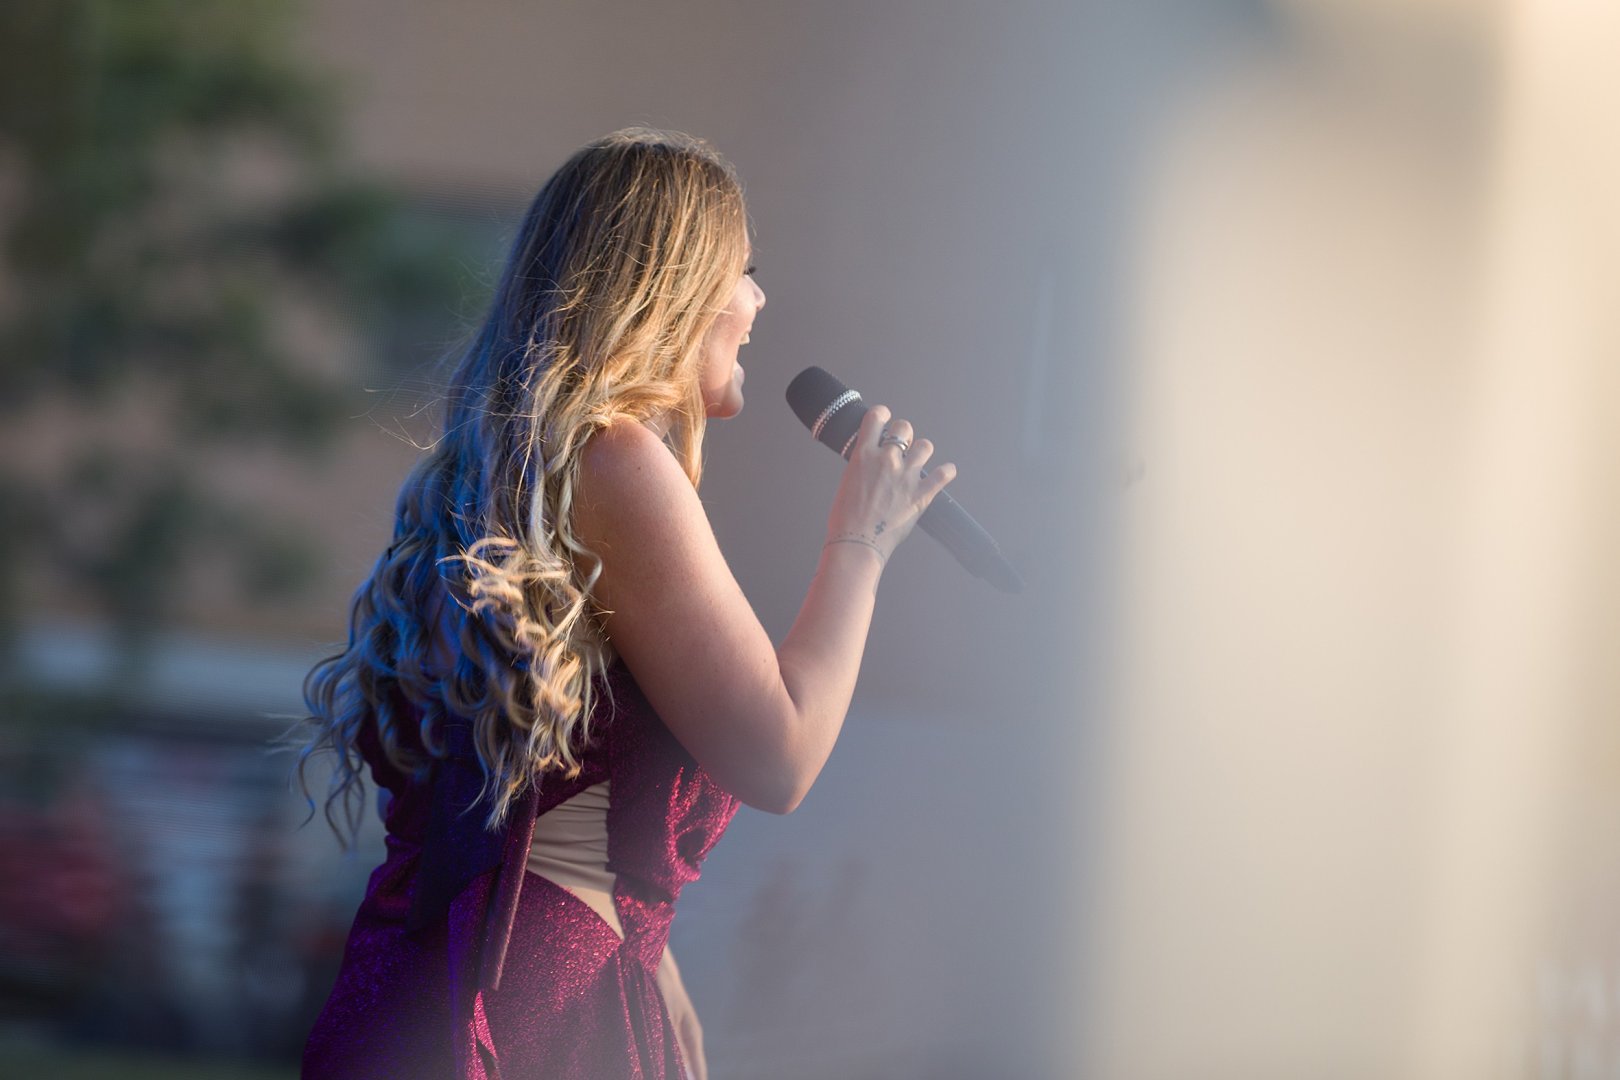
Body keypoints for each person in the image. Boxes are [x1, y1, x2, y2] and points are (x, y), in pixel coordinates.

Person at [295, 128, 956, 1080]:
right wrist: (863, 542)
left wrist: (651, 952)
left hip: (420, 982)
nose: (759, 302)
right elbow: (779, 757)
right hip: (535, 999)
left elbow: (541, 789)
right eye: (744, 271)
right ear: (672, 287)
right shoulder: (618, 461)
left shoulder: (496, 469)